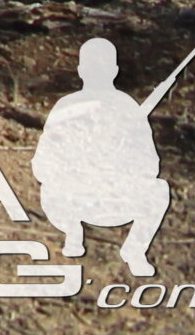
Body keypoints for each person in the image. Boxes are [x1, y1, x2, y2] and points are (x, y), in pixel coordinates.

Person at [35, 35, 175, 276]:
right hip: (74, 198)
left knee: (159, 188)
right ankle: (72, 232)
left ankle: (134, 250)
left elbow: (149, 165)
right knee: (49, 187)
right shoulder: (68, 106)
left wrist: (117, 164)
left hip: (113, 199)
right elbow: (43, 163)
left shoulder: (127, 108)